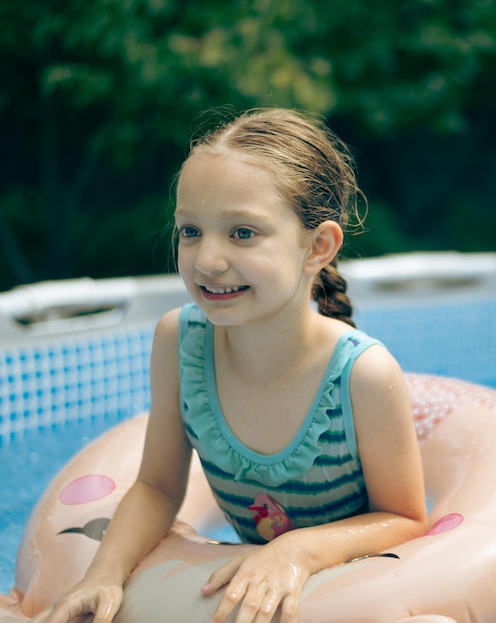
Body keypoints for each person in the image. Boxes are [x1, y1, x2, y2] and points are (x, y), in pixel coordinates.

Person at [32, 108, 427, 623]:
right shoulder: (181, 341)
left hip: (357, 597)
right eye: (191, 231)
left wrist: (295, 551)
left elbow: (404, 518)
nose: (207, 260)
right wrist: (104, 572)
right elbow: (157, 486)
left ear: (318, 246)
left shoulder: (362, 375)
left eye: (242, 233)